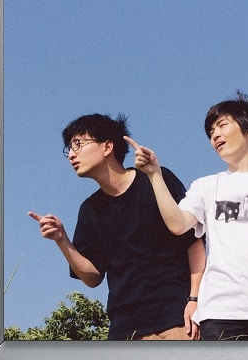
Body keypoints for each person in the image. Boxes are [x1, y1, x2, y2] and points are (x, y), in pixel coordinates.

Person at [126, 91, 248, 340]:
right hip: (218, 311)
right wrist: (154, 174)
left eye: (222, 125)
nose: (215, 135)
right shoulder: (206, 186)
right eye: (211, 131)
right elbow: (178, 224)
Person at [28, 113, 205, 341]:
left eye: (78, 144)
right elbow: (92, 277)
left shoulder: (156, 179)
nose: (71, 154)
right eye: (69, 148)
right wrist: (62, 240)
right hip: (124, 330)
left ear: (107, 147)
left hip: (176, 320)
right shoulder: (90, 210)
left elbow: (193, 242)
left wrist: (194, 299)